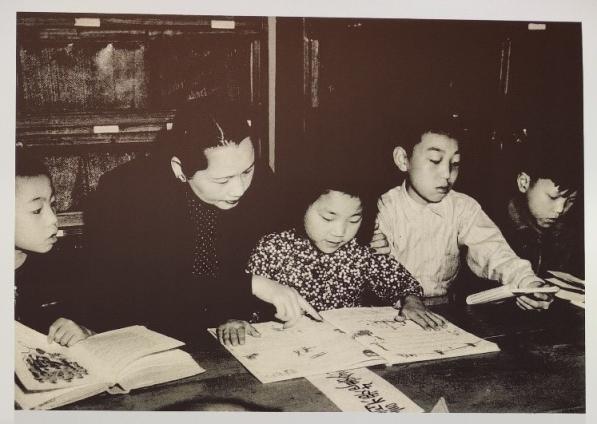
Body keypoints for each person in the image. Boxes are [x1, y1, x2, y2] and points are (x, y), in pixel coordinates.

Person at [82, 100, 317, 343]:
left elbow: (278, 249)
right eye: (222, 181)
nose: (239, 189)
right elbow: (143, 293)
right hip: (155, 335)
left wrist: (238, 310)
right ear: (180, 169)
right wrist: (249, 286)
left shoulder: (260, 180)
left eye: (247, 171)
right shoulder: (127, 192)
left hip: (235, 335)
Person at [217, 162, 445, 346]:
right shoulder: (272, 247)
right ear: (302, 207)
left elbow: (401, 281)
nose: (340, 232)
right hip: (283, 347)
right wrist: (234, 318)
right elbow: (238, 295)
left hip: (344, 348)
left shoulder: (360, 250)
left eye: (354, 220)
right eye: (328, 218)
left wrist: (412, 301)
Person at [375, 118, 553, 311]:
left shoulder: (462, 207)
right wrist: (406, 298)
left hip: (442, 310)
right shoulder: (383, 209)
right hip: (387, 311)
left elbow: (493, 251)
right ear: (403, 159)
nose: (447, 174)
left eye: (455, 163)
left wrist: (527, 281)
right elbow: (380, 272)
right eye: (435, 160)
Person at [15, 150, 93, 346]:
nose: (53, 219)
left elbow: (101, 327)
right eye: (37, 210)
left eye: (53, 205)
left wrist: (86, 333)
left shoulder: (65, 269)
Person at [498, 141, 582, 278]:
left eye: (571, 200)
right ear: (524, 182)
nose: (560, 209)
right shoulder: (493, 231)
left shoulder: (570, 235)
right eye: (553, 197)